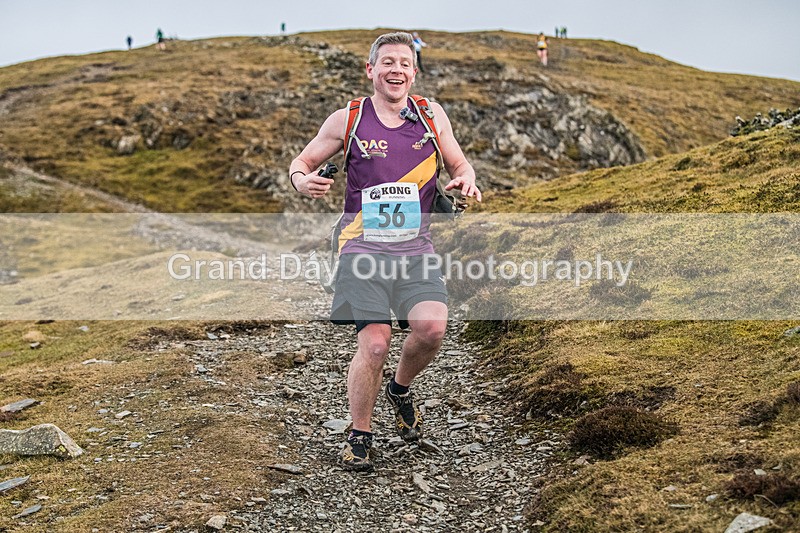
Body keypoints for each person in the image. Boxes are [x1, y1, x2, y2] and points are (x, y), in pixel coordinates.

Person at [289, 32, 480, 472]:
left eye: (404, 63)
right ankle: (360, 432)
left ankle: (399, 387)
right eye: (387, 62)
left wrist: (465, 179)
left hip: (416, 249)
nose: (396, 69)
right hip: (362, 249)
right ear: (371, 70)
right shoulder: (349, 118)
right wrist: (303, 181)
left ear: (414, 72)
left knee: (431, 329)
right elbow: (300, 164)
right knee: (374, 346)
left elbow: (459, 163)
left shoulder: (431, 116)